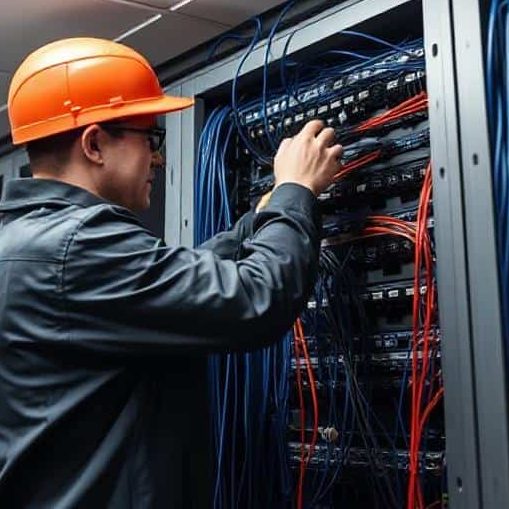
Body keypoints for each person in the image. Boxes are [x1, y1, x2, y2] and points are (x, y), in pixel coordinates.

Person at [0, 37, 342, 508]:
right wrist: (296, 188)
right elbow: (259, 299)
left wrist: (258, 222)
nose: (158, 157)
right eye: (150, 137)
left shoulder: (28, 242)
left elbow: (160, 285)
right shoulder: (77, 244)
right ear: (94, 143)